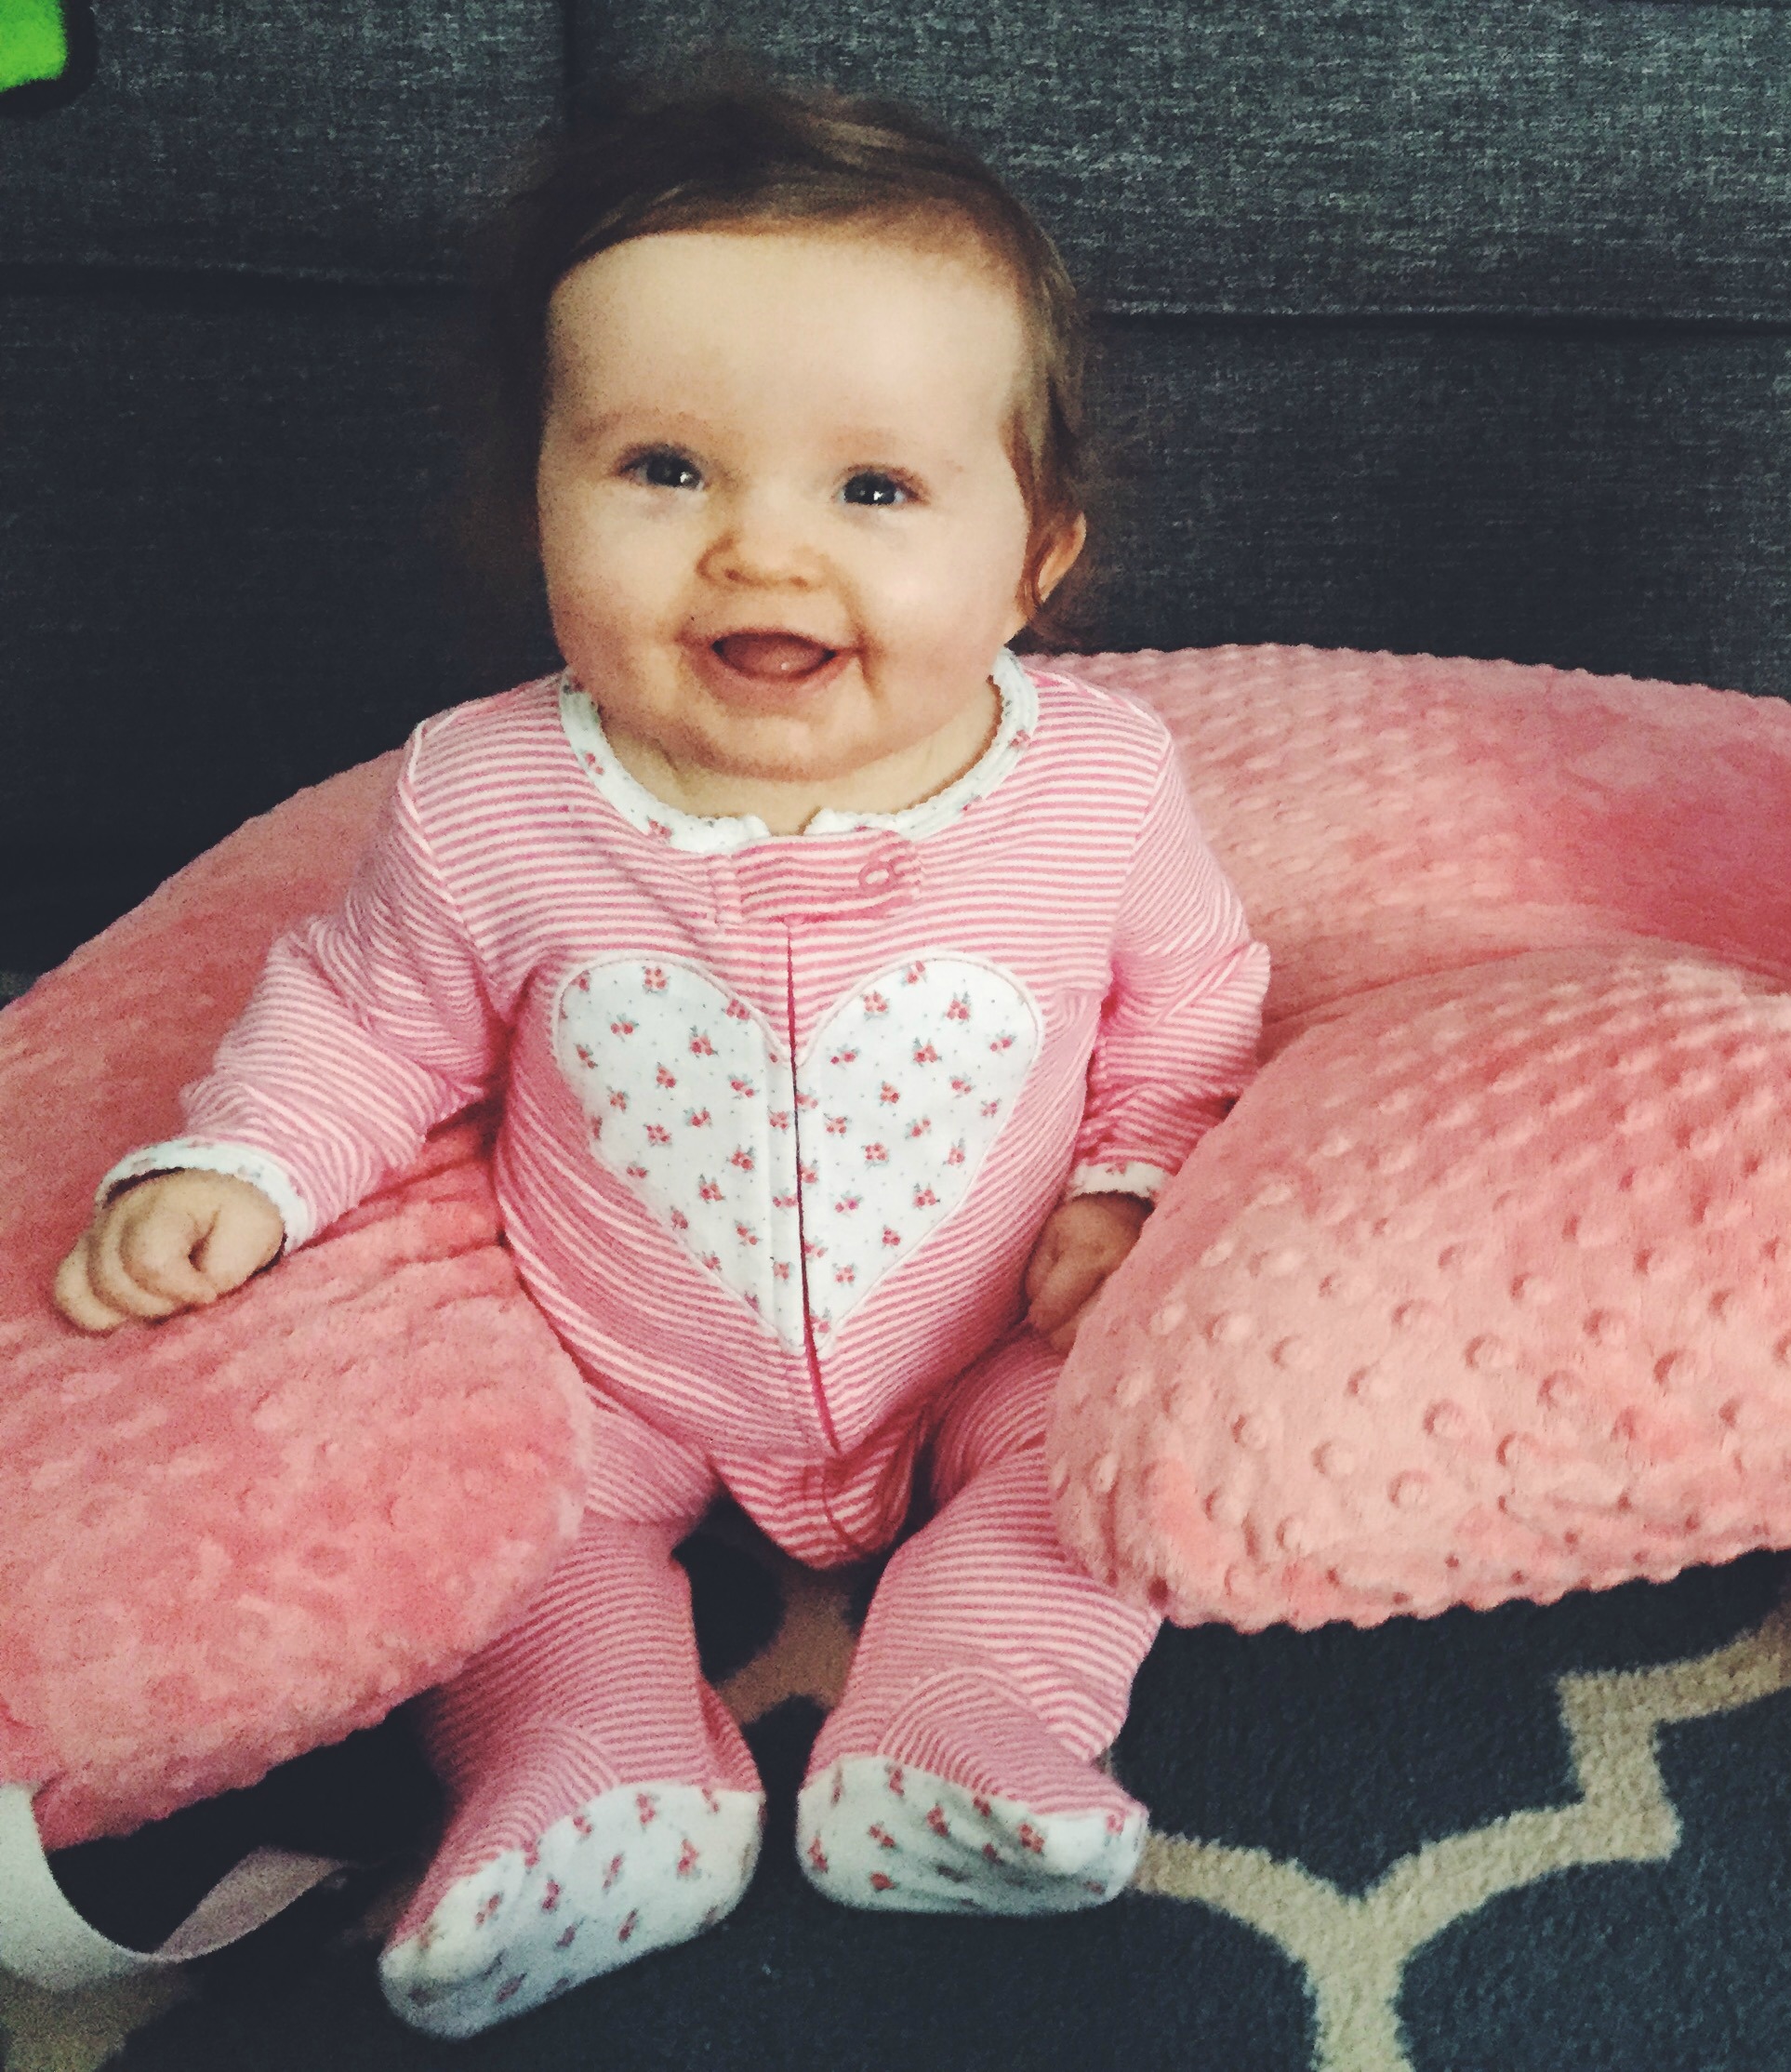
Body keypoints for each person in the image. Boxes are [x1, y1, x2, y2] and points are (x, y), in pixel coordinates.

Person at [54, 79, 1267, 2033]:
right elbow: (367, 1012)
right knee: (499, 1511)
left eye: (873, 492)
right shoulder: (487, 798)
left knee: (1095, 1458)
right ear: (535, 490)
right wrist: (243, 1167)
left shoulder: (1105, 793)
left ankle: (974, 1717)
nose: (757, 552)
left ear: (1036, 556)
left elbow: (1195, 1011)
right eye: (665, 471)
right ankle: (586, 1770)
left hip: (985, 1321)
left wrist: (1128, 1185)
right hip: (614, 1347)